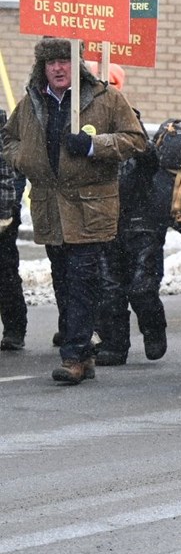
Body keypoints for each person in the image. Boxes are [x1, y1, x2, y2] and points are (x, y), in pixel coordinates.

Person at [4, 38, 147, 384]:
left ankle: (73, 356)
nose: (57, 68)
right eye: (50, 62)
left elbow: (136, 139)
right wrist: (25, 158)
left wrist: (94, 145)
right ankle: (83, 352)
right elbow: (8, 139)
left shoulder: (104, 98)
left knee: (82, 281)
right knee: (63, 281)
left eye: (64, 61)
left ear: (77, 64)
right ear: (42, 67)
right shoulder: (32, 101)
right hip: (50, 209)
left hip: (90, 207)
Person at [94, 70, 169, 367]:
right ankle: (114, 344)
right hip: (105, 221)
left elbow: (151, 161)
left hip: (141, 223)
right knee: (109, 290)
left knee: (142, 287)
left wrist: (133, 138)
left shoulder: (131, 123)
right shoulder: (87, 129)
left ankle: (153, 328)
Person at [0, 106, 22, 352]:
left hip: (3, 208)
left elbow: (5, 169)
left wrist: (4, 211)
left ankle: (14, 328)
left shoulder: (1, 122)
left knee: (5, 271)